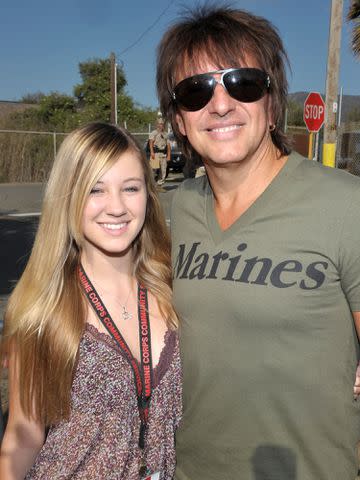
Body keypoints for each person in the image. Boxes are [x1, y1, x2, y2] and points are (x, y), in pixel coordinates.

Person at [156, 5, 360, 480]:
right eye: (195, 91)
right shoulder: (171, 211)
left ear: (271, 102)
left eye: (242, 82)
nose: (220, 104)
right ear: (179, 120)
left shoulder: (345, 204)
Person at [0, 122, 181, 480]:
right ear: (68, 197)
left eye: (130, 188)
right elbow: (22, 438)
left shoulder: (173, 290)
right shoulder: (43, 311)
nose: (116, 207)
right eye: (95, 190)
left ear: (148, 193)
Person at [149, 119, 171, 185]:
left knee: (163, 170)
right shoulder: (154, 133)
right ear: (157, 125)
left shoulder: (166, 134)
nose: (161, 125)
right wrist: (152, 152)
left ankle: (160, 185)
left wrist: (169, 155)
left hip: (163, 154)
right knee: (154, 170)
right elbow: (151, 143)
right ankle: (153, 185)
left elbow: (168, 145)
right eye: (159, 124)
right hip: (156, 154)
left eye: (162, 124)